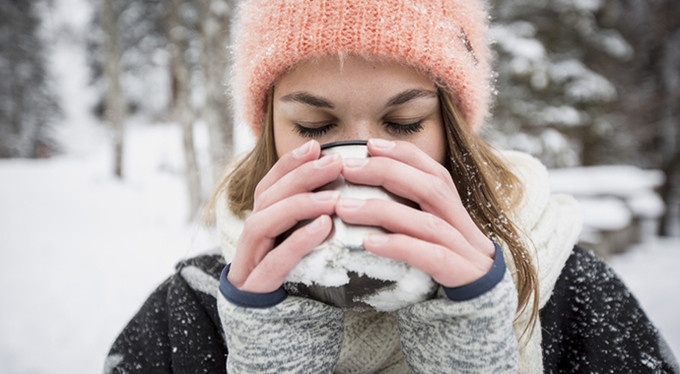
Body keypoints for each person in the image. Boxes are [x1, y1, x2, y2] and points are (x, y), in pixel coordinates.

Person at [105, 0, 679, 373]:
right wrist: (269, 347)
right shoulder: (195, 309)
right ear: (270, 133)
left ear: (453, 131)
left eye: (404, 124)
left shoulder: (571, 294)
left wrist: (471, 341)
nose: (360, 162)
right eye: (314, 126)